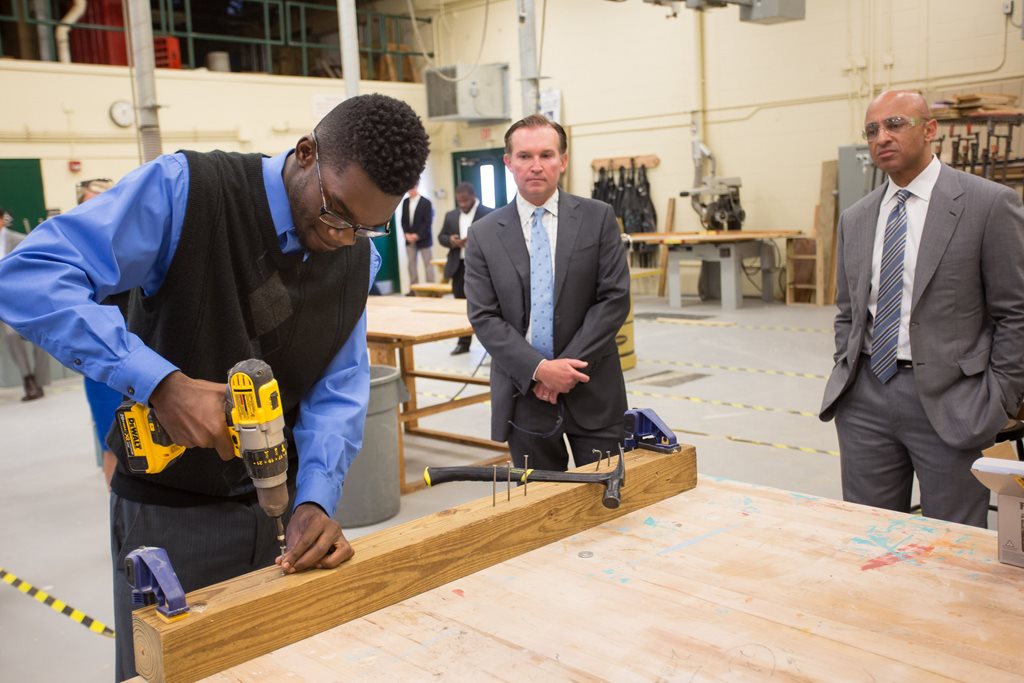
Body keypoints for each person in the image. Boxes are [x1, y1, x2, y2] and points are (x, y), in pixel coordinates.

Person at [0, 93, 429, 679]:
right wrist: (160, 383)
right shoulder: (186, 190)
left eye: (368, 227)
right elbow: (28, 277)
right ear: (305, 155)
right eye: (336, 215)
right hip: (171, 518)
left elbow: (339, 385)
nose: (344, 238)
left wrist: (316, 497)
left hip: (279, 521)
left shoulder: (356, 254)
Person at [820, 90, 1024, 528]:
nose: (882, 138)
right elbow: (848, 311)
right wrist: (848, 365)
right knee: (869, 535)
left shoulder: (988, 205)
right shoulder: (856, 217)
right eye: (872, 130)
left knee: (953, 545)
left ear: (930, 130)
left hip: (953, 401)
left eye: (895, 124)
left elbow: (1016, 312)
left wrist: (999, 396)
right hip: (865, 398)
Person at [464, 114, 630, 472]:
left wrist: (563, 371)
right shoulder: (483, 234)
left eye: (546, 155)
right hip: (524, 395)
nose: (535, 166)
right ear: (508, 163)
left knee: (606, 506)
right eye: (524, 156)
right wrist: (539, 369)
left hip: (592, 388)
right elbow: (484, 316)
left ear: (563, 161)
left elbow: (614, 299)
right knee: (540, 512)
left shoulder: (598, 218)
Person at [72, 178, 125, 488]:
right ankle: (120, 510)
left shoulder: (131, 246)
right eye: (89, 202)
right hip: (101, 363)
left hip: (142, 348)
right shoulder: (76, 252)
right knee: (113, 442)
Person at [0, 208, 49, 401]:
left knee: (40, 339)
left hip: (27, 296)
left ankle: (40, 380)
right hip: (3, 300)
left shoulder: (20, 240)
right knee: (11, 336)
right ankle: (28, 379)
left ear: (2, 220)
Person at [438, 182, 493, 354]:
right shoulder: (451, 215)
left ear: (473, 196)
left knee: (487, 307)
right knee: (461, 307)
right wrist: (451, 241)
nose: (462, 204)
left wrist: (475, 241)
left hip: (482, 268)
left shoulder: (489, 213)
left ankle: (491, 347)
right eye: (459, 202)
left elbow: (496, 237)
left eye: (465, 201)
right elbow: (441, 236)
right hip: (458, 267)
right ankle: (463, 343)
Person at [401, 182, 435, 291]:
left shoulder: (426, 202)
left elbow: (428, 221)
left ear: (416, 186)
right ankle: (414, 290)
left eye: (411, 187)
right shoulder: (405, 202)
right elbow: (403, 220)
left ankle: (431, 289)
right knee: (411, 265)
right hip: (409, 239)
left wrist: (418, 235)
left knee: (428, 265)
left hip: (424, 239)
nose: (410, 190)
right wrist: (406, 233)